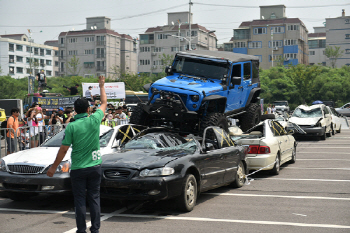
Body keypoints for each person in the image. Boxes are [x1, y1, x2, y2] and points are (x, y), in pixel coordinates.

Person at [47, 76, 107, 233]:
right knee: (94, 198)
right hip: (95, 166)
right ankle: (95, 229)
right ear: (88, 109)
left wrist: (53, 167)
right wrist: (101, 86)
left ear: (75, 110)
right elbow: (104, 103)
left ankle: (81, 230)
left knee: (79, 200)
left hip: (78, 168)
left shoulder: (71, 127)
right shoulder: (94, 119)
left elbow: (63, 149)